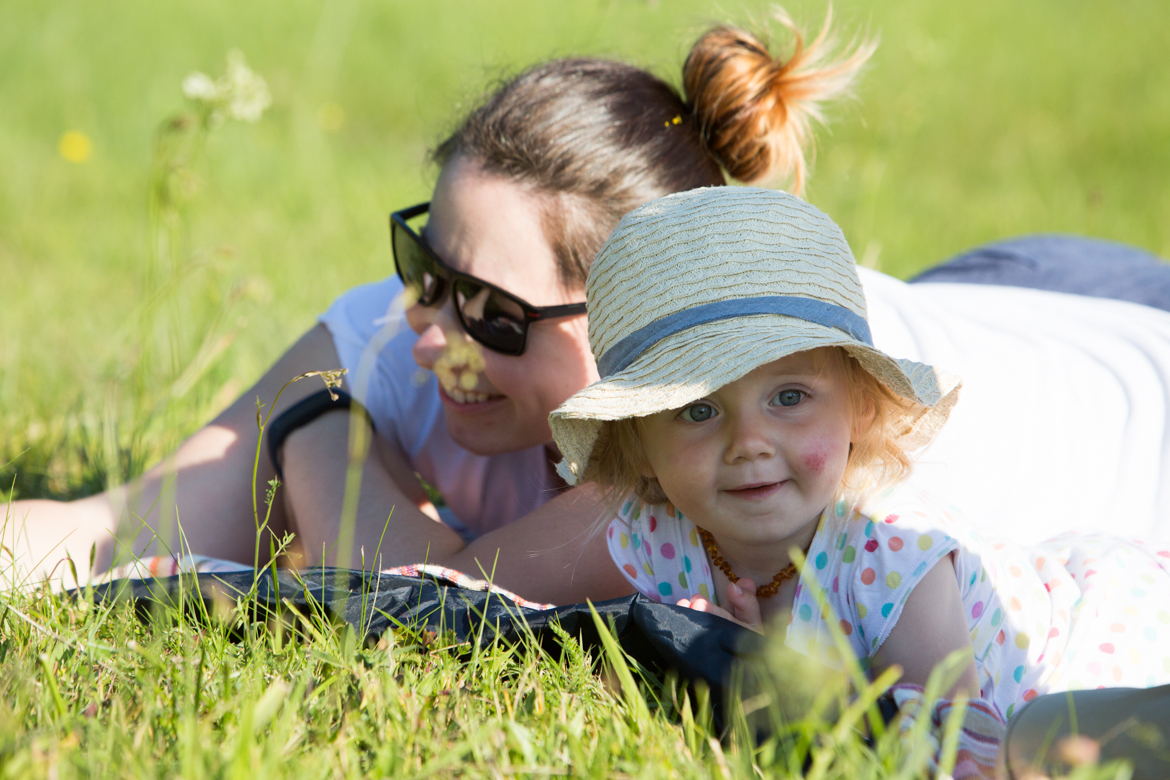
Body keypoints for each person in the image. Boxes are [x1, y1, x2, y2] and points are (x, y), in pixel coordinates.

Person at [7, 12, 1170, 601]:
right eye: (427, 263)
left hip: (1133, 391)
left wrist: (314, 426)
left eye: (492, 314)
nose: (427, 331)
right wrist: (313, 404)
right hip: (1010, 280)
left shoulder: (753, 442)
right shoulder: (427, 325)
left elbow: (432, 605)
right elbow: (119, 523)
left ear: (641, 341)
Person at [550, 186, 1170, 777]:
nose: (748, 443)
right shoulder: (656, 534)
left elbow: (953, 752)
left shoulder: (897, 552)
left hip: (1107, 637)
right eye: (697, 410)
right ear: (638, 447)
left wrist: (773, 676)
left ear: (862, 409)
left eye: (789, 396)